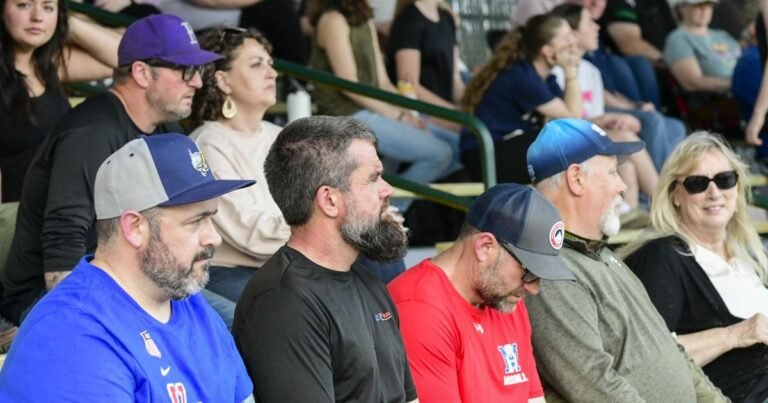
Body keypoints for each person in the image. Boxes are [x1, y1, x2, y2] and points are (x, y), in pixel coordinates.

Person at [0, 13, 222, 325]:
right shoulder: (90, 132)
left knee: (238, 322)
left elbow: (190, 211)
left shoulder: (166, 128)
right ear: (142, 73)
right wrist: (77, 326)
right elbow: (64, 238)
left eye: (198, 70)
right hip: (57, 296)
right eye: (186, 70)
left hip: (141, 278)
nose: (197, 82)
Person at [0, 134, 255, 401]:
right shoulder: (70, 334)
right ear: (134, 228)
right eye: (196, 221)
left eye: (211, 218)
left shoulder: (192, 306)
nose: (214, 238)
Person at [524, 118, 727, 401]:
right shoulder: (551, 268)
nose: (622, 186)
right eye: (612, 172)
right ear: (576, 179)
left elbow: (672, 351)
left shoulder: (601, 253)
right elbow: (594, 385)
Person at [231, 116, 416, 402]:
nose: (387, 190)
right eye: (373, 178)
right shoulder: (283, 301)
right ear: (329, 201)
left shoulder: (369, 282)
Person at [388, 183, 575, 402]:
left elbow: (533, 399)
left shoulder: (507, 298)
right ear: (485, 247)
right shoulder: (420, 308)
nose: (533, 288)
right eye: (529, 272)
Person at [619, 132, 768, 402]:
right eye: (698, 183)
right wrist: (736, 334)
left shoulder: (751, 259)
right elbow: (648, 360)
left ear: (737, 187)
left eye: (725, 179)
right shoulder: (663, 256)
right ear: (676, 194)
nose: (714, 193)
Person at [461, 14, 656, 209]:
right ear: (547, 51)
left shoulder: (546, 79)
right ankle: (662, 203)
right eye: (566, 37)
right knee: (618, 137)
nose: (573, 40)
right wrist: (571, 71)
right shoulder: (521, 76)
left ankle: (626, 218)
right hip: (485, 158)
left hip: (512, 150)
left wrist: (605, 119)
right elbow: (572, 119)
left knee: (626, 165)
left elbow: (570, 118)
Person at [307, 0, 460, 211]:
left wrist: (408, 112)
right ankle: (384, 212)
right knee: (439, 154)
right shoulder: (333, 19)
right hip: (347, 114)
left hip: (371, 109)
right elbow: (350, 87)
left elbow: (383, 82)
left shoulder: (365, 17)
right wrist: (399, 117)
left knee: (460, 147)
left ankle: (374, 198)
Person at [0, 0, 121, 202]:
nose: (37, 17)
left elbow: (125, 57)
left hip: (60, 210)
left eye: (48, 7)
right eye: (24, 5)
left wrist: (66, 22)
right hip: (16, 218)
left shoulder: (49, 65)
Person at [551, 3, 685, 172]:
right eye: (589, 23)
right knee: (649, 123)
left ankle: (661, 179)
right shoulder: (555, 72)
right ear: (572, 32)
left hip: (595, 124)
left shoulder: (590, 70)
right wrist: (612, 118)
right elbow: (565, 122)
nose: (597, 27)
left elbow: (598, 110)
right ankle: (658, 186)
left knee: (674, 126)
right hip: (572, 135)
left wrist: (618, 117)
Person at [387, 0, 464, 132]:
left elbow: (455, 80)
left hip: (445, 108)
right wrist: (454, 112)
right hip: (421, 111)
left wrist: (473, 103)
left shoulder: (447, 18)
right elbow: (411, 88)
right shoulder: (409, 20)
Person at [665, 0, 741, 93]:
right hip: (725, 99)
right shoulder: (677, 39)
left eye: (708, 5)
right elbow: (693, 82)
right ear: (682, 7)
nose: (704, 10)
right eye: (698, 5)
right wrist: (739, 83)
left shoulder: (722, 34)